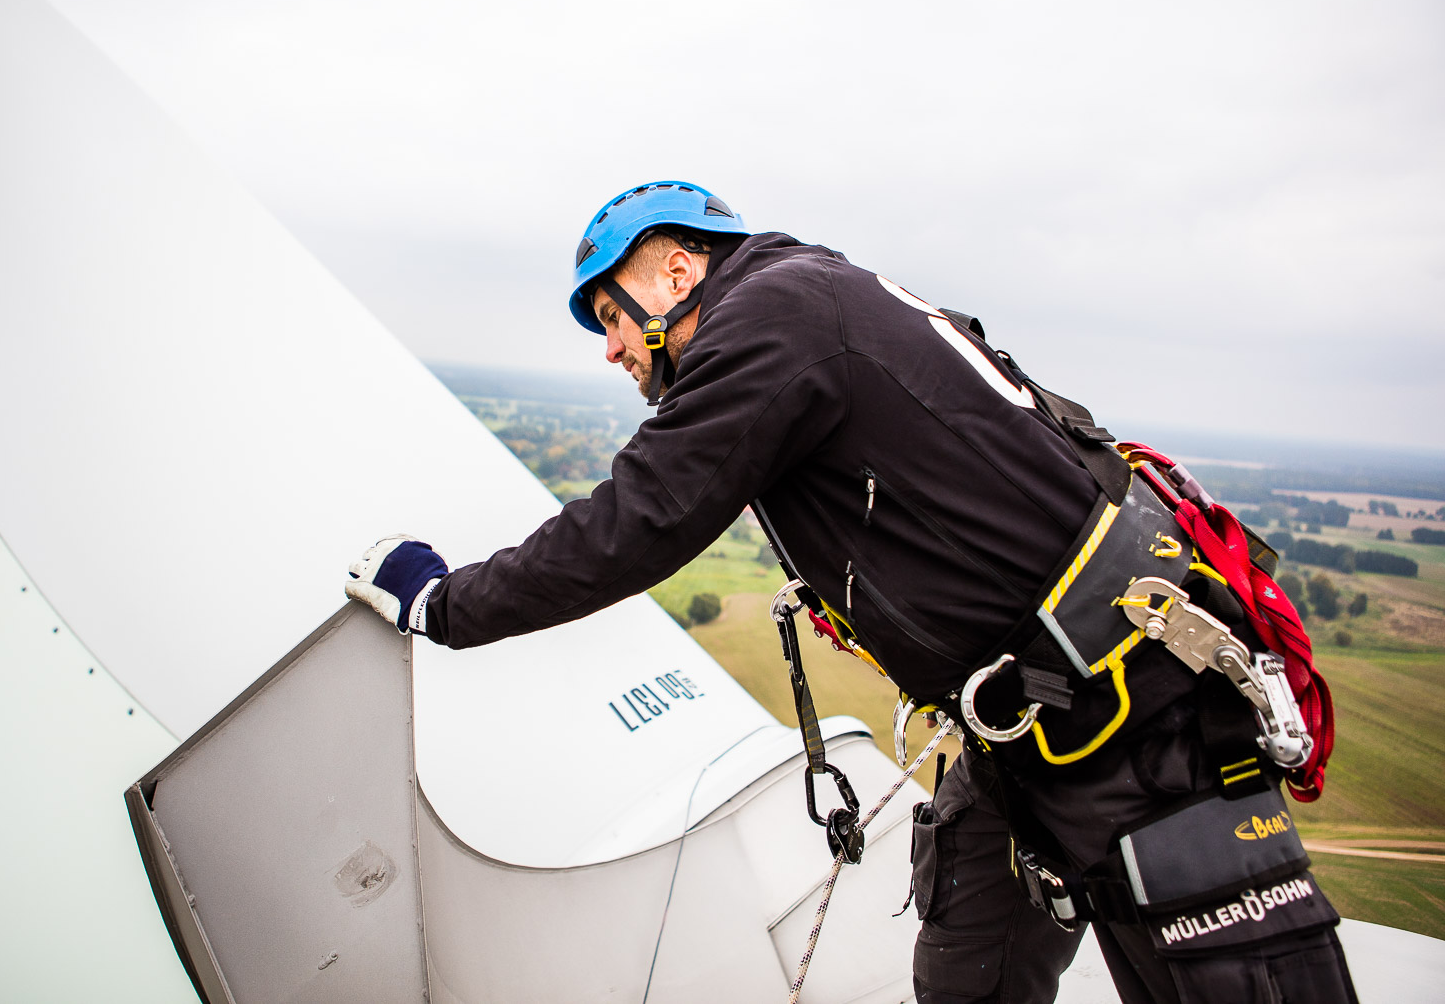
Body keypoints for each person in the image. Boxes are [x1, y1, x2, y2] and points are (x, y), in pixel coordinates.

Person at [346, 181, 1354, 1003]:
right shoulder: (817, 297)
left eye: (612, 314)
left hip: (1142, 726)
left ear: (676, 267)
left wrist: (444, 601)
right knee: (965, 970)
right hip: (1033, 728)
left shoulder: (772, 317)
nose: (611, 347)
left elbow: (636, 521)